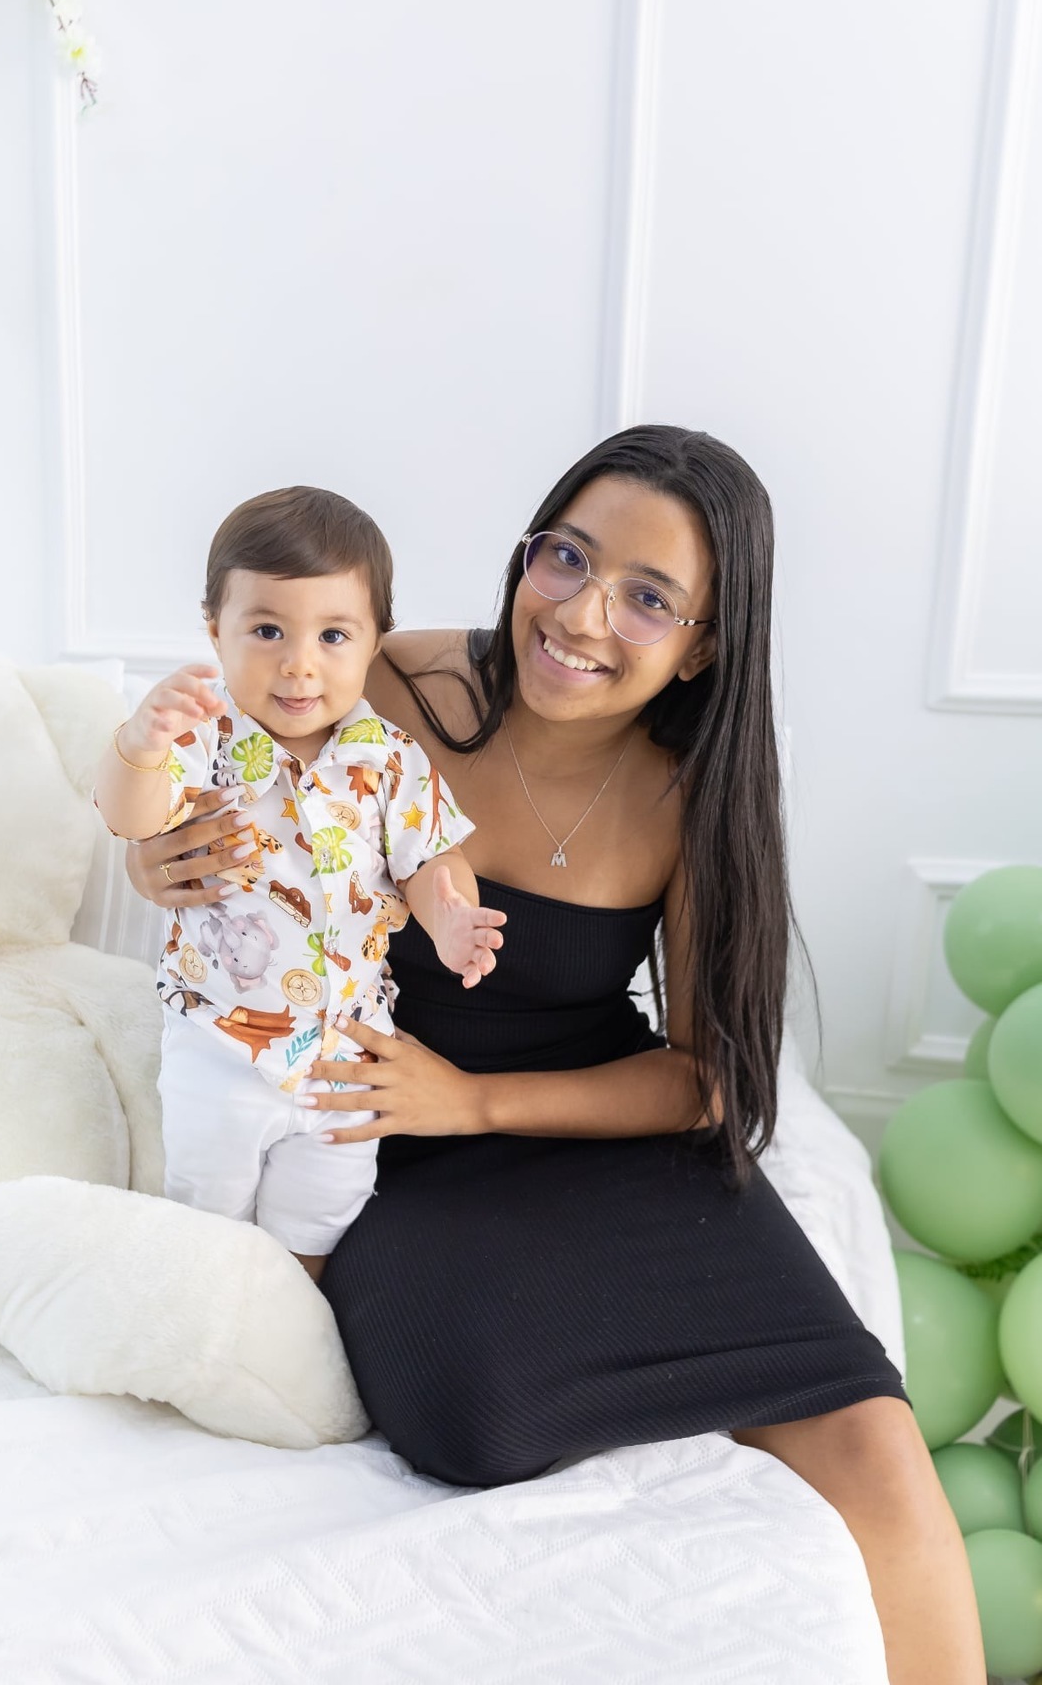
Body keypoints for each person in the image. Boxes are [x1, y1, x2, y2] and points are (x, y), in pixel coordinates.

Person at [126, 427, 984, 1684]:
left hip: (587, 1116)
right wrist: (159, 852)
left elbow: (713, 1078)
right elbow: (215, 769)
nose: (581, 614)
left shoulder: (692, 795)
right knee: (475, 1413)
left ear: (703, 643)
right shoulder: (399, 687)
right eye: (565, 557)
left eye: (648, 597)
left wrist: (474, 1100)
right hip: (369, 1119)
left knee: (871, 1435)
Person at [96, 487, 505, 1280]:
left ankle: (290, 1324)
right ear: (215, 629)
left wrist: (450, 915)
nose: (299, 662)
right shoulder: (205, 740)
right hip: (220, 1035)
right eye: (267, 630)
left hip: (344, 1046)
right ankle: (208, 1315)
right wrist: (139, 745)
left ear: (374, 641)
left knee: (320, 1213)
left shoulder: (389, 757)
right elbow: (133, 820)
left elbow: (428, 861)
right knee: (208, 1203)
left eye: (333, 634)